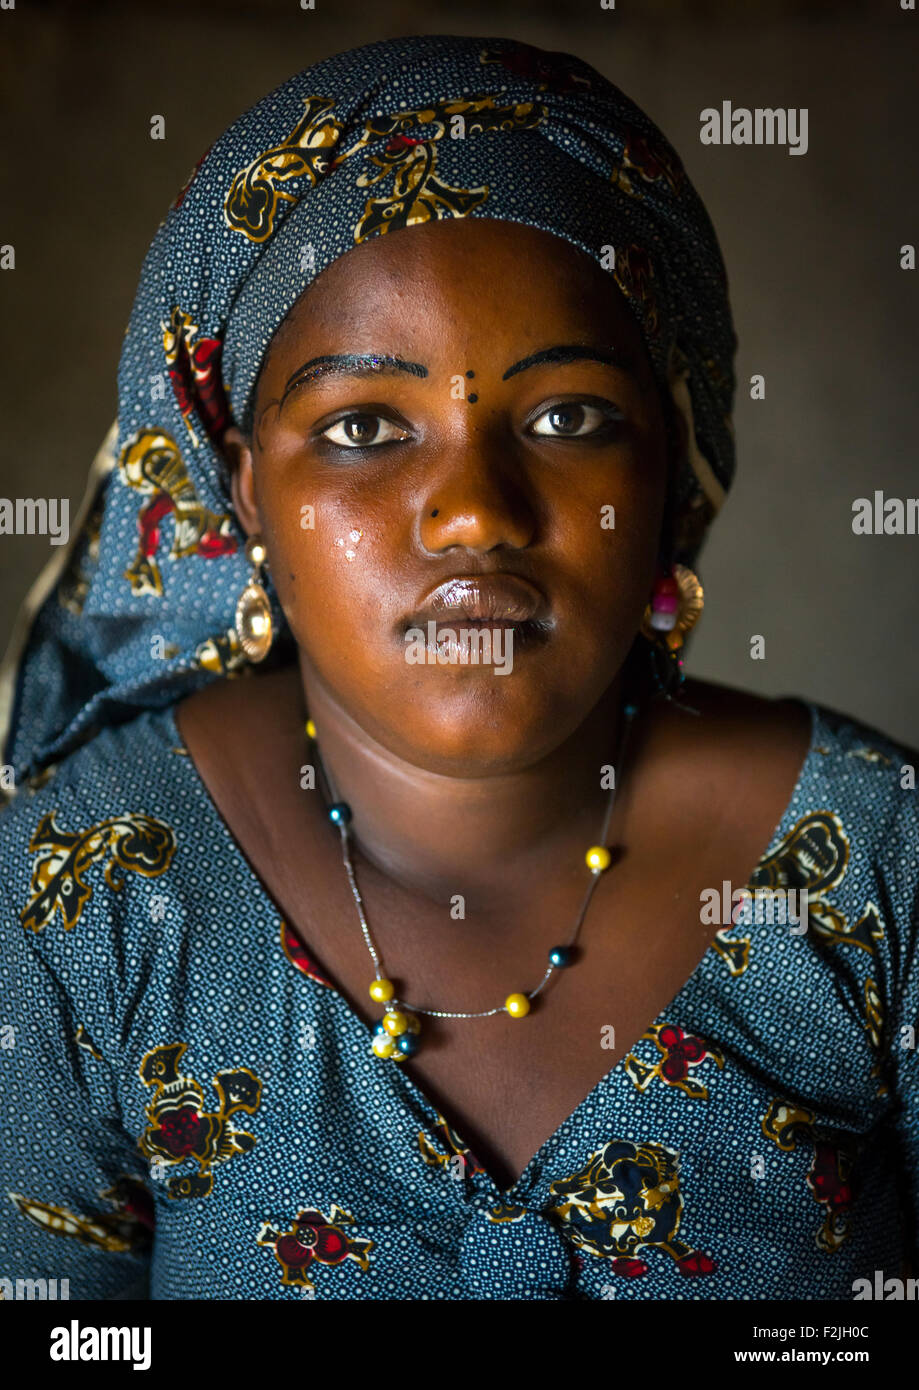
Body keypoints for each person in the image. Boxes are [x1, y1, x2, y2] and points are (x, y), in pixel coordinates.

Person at [0, 33, 915, 1302]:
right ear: (245, 492)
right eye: (365, 426)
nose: (475, 512)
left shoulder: (878, 868)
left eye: (568, 417)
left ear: (668, 472)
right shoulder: (83, 891)